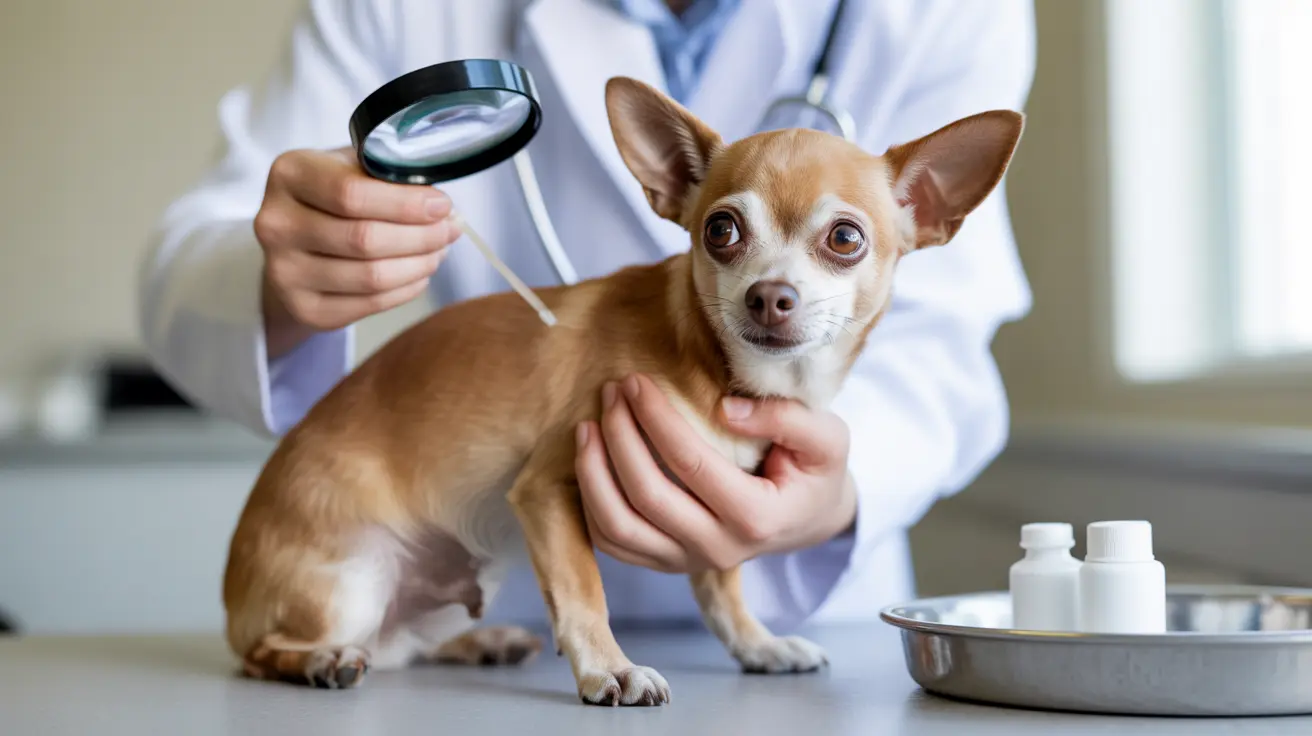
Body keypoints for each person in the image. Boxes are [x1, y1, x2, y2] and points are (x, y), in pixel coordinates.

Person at [138, 0, 1036, 630]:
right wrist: (286, 264)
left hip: (808, 613)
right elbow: (191, 252)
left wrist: (841, 484)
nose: (774, 287)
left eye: (839, 241)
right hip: (482, 602)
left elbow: (949, 338)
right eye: (728, 231)